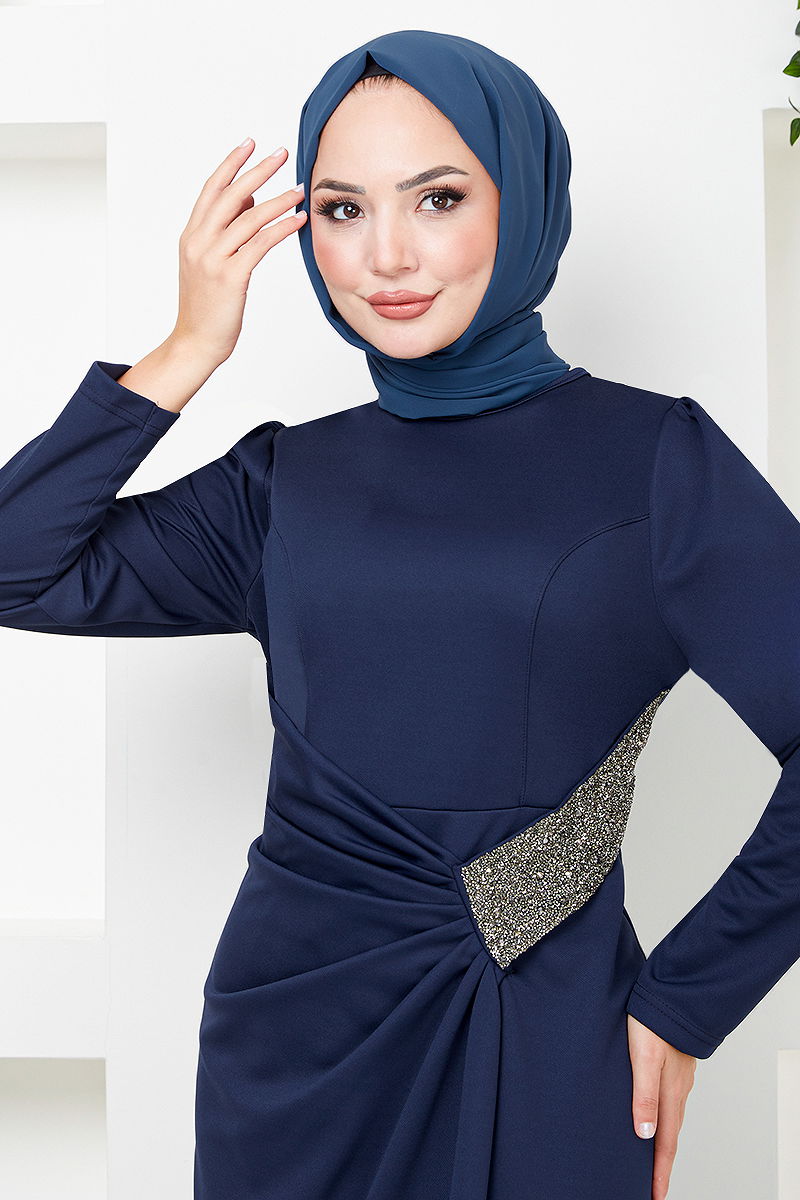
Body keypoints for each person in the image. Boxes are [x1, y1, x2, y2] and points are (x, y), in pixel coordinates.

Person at [0, 26, 798, 1200]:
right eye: (340, 210)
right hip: (290, 1048)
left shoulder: (653, 462)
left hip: (544, 1033)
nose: (385, 256)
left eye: (436, 198)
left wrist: (688, 999)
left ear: (520, 197)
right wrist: (189, 345)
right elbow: (18, 566)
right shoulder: (284, 482)